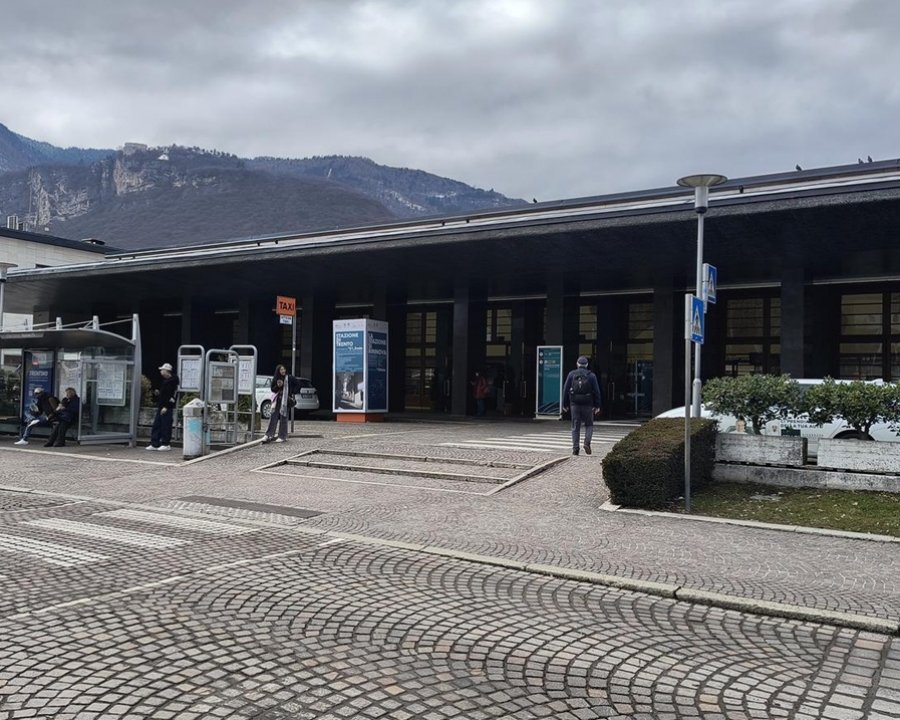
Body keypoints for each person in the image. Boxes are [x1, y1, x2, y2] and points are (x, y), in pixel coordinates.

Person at [562, 356, 602, 456]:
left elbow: (565, 389)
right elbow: (597, 391)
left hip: (574, 404)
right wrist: (597, 405)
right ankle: (587, 442)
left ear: (577, 364)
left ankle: (575, 449)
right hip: (588, 404)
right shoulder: (591, 375)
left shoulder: (572, 374)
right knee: (589, 424)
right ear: (587, 365)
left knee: (575, 426)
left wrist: (564, 404)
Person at [262, 364, 299, 443]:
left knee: (283, 418)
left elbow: (298, 384)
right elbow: (273, 389)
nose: (283, 371)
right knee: (273, 417)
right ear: (278, 371)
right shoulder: (276, 378)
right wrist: (278, 386)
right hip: (277, 400)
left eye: (284, 369)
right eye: (281, 370)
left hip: (285, 400)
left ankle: (282, 436)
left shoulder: (289, 378)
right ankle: (269, 434)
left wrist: (293, 392)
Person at [147, 362, 179, 451]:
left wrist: (167, 406)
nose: (161, 372)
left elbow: (172, 396)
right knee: (157, 424)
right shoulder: (165, 381)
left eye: (162, 370)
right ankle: (154, 443)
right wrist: (158, 394)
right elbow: (165, 394)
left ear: (167, 371)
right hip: (161, 405)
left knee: (166, 425)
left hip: (166, 407)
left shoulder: (172, 382)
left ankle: (166, 443)